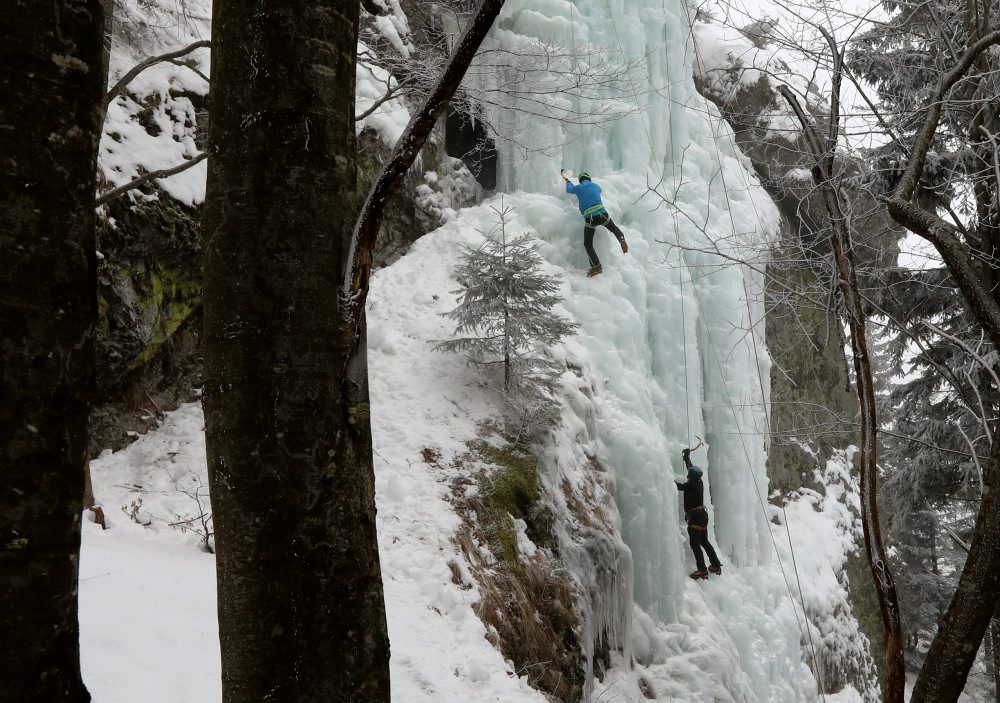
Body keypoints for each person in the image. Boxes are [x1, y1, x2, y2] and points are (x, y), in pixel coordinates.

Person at [560, 169, 629, 277]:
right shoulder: (595, 186)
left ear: (580, 180)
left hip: (590, 218)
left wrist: (568, 181)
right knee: (614, 228)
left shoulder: (578, 187)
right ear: (589, 179)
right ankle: (622, 240)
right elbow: (599, 190)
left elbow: (569, 190)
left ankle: (596, 266)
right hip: (602, 213)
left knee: (588, 244)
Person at [676, 447, 723, 580]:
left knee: (695, 544)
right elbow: (691, 468)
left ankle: (702, 569)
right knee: (704, 541)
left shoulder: (690, 485)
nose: (688, 475)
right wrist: (687, 459)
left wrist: (665, 476)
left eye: (689, 474)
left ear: (691, 476)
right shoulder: (699, 482)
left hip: (695, 518)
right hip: (703, 516)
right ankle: (715, 564)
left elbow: (678, 486)